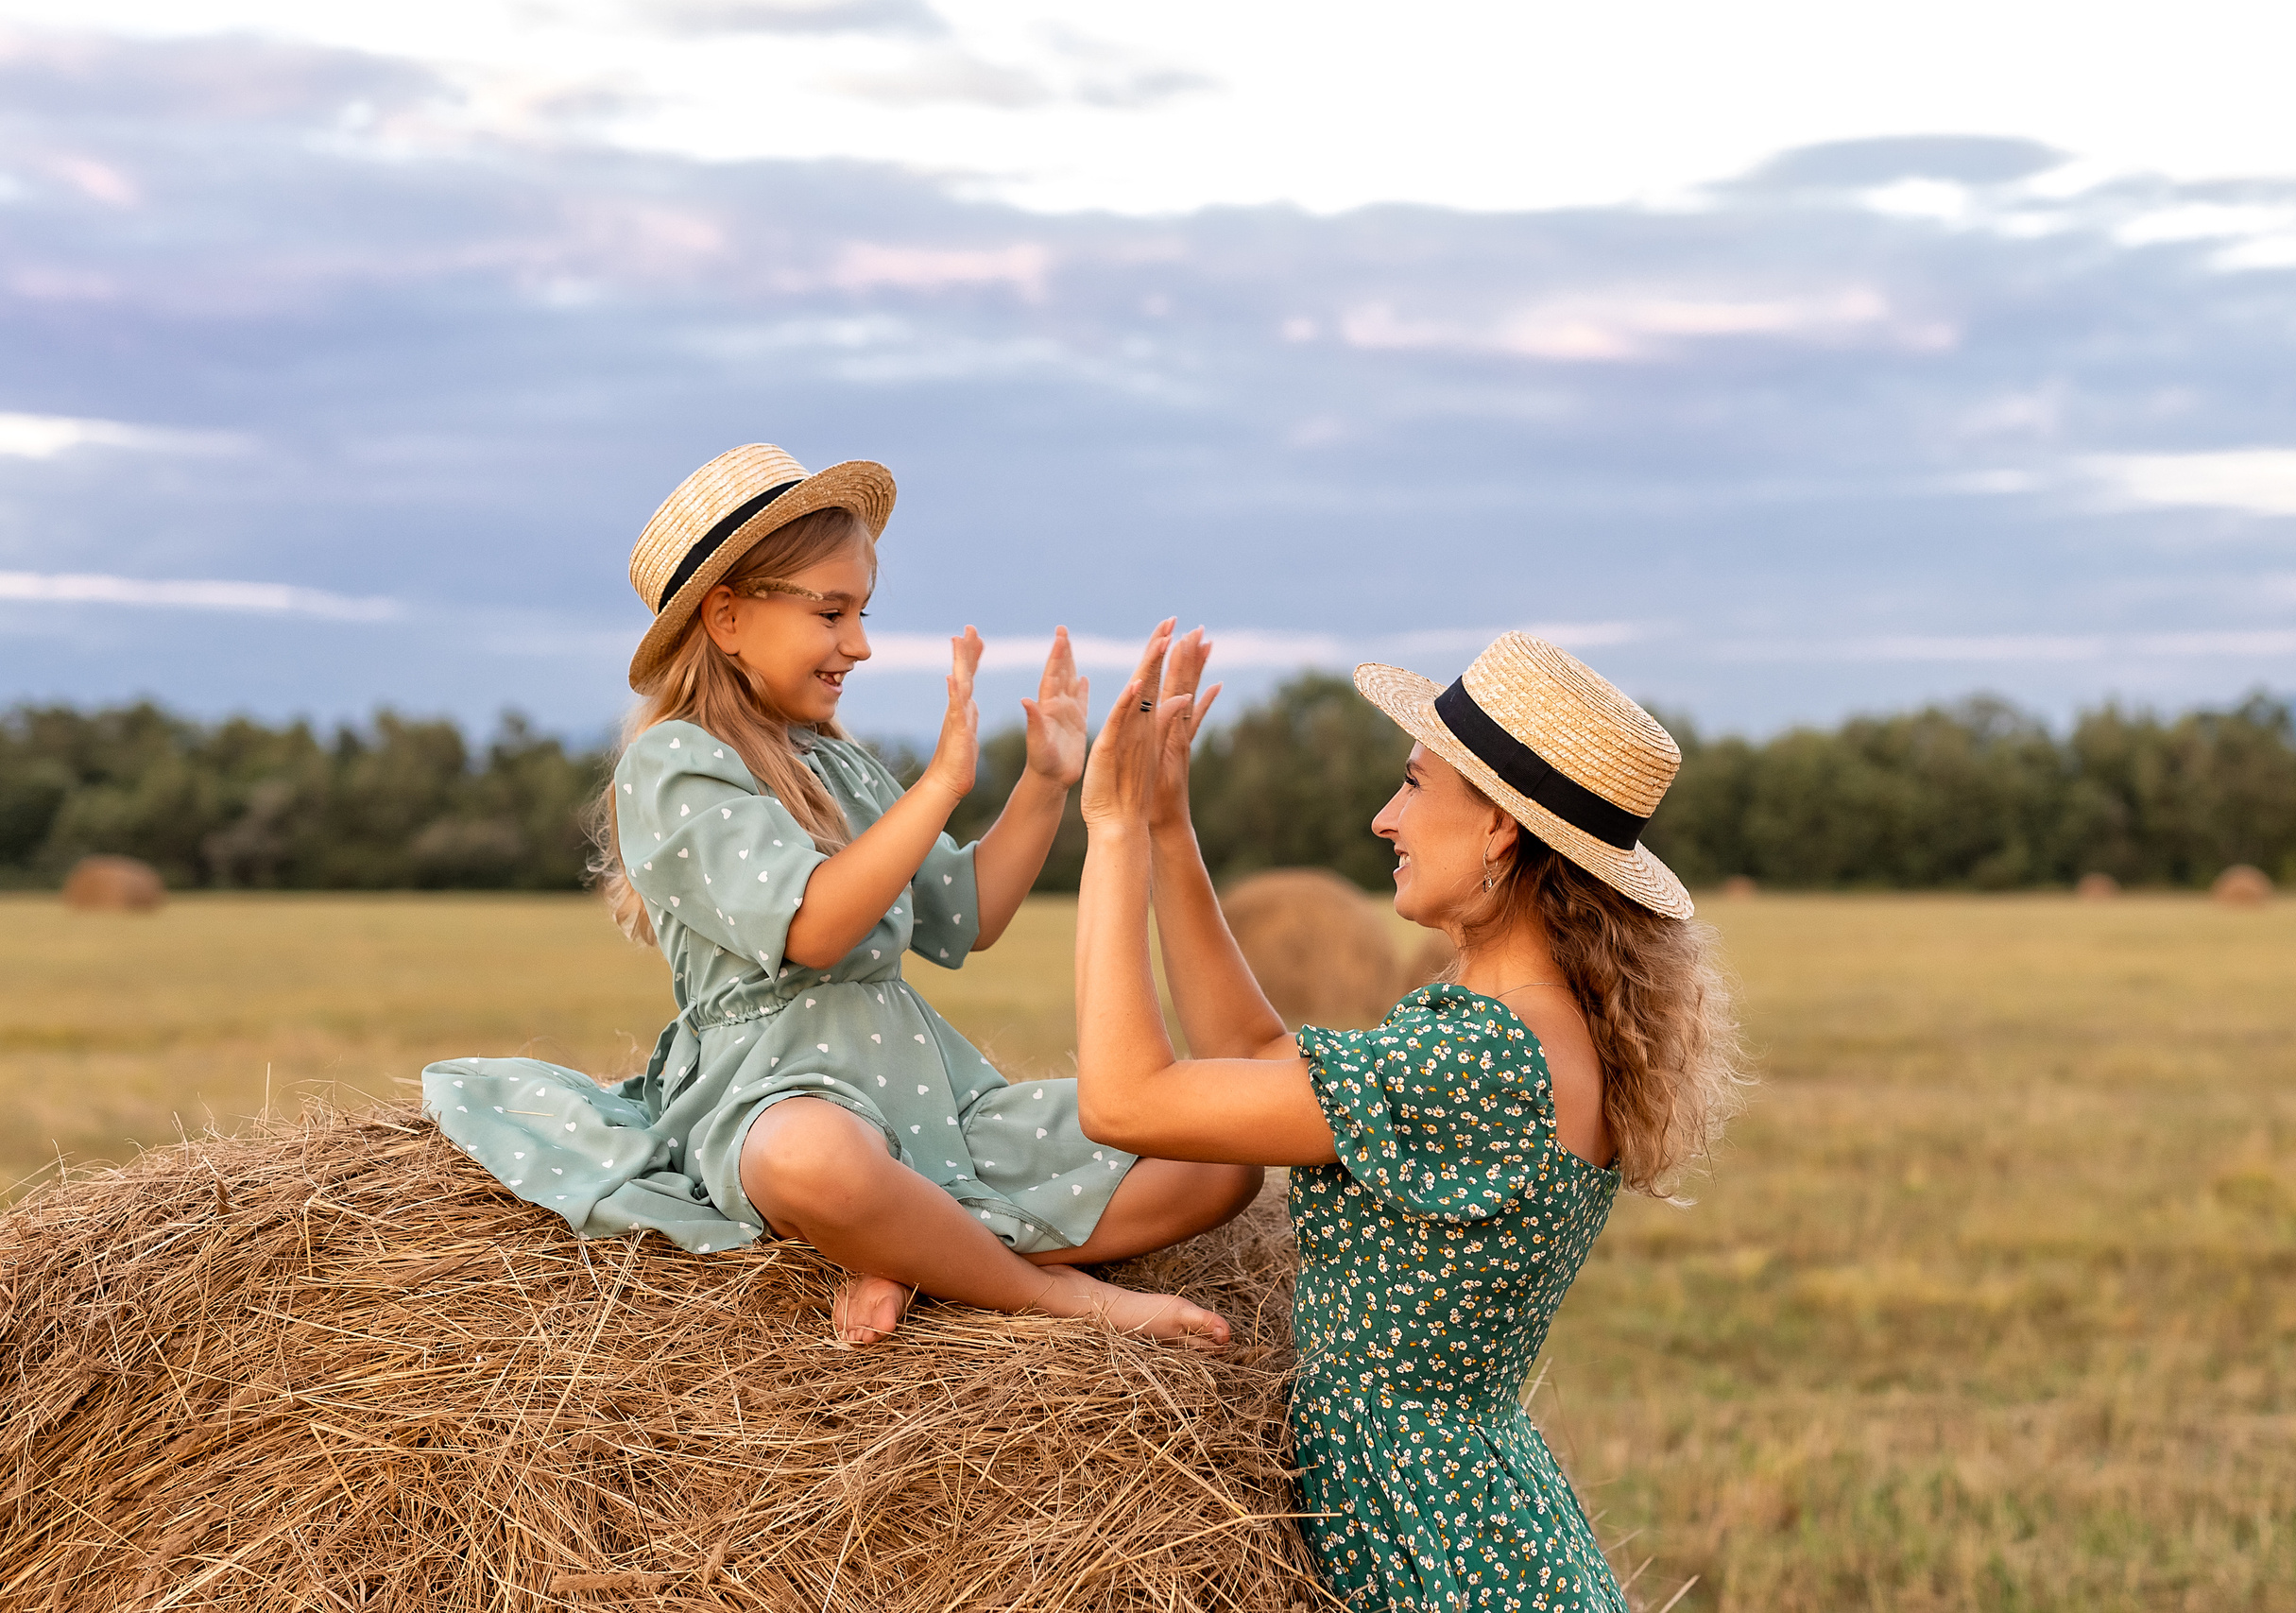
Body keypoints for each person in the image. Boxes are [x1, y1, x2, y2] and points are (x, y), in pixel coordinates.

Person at [422, 445, 1257, 1346]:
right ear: (728, 616)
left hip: (929, 1098)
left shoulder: (838, 760)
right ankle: (1053, 1295)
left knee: (1219, 1156)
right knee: (813, 1159)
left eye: (862, 611)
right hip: (775, 1093)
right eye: (831, 612)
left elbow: (968, 914)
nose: (857, 643)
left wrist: (1046, 781)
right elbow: (815, 927)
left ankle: (915, 1248)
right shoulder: (675, 763)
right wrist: (940, 781)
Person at [1071, 622, 1746, 1612]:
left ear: (1499, 831)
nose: (1385, 818)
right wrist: (1172, 833)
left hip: (1438, 1556)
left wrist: (1112, 830)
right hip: (1469, 1522)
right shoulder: (1526, 1034)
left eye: (1414, 782)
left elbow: (1123, 1099)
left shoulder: (1479, 1058)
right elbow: (1259, 1063)